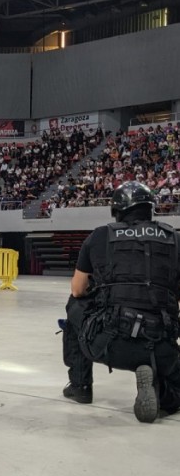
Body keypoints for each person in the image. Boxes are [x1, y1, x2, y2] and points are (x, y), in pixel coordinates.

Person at [63, 181, 180, 423]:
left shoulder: (100, 236)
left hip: (109, 341)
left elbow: (77, 289)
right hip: (160, 343)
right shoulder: (174, 239)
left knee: (74, 305)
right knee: (174, 382)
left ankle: (81, 385)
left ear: (117, 210)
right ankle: (162, 391)